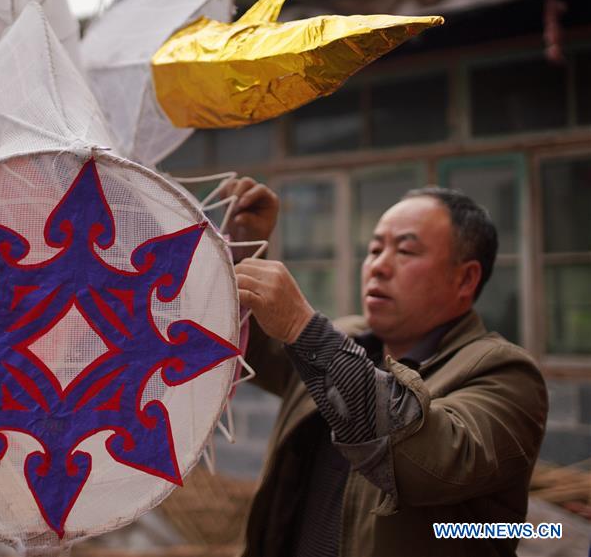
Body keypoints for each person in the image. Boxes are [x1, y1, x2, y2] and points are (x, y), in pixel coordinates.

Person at [221, 178, 548, 557]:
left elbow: (428, 461)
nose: (378, 266)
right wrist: (241, 253)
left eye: (405, 252)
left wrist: (303, 330)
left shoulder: (505, 373)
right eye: (374, 249)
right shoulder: (349, 338)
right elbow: (248, 343)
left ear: (465, 278)